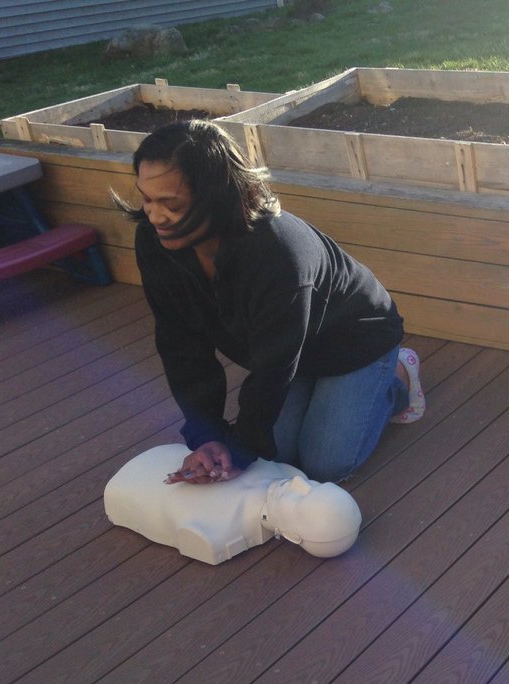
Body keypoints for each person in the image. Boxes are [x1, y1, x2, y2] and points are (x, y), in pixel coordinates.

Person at [115, 120, 425, 487]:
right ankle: (322, 392)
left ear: (217, 194)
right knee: (278, 456)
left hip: (354, 341)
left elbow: (274, 366)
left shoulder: (277, 252)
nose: (153, 215)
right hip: (292, 349)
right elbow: (180, 344)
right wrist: (207, 434)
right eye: (147, 198)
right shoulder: (155, 241)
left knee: (324, 464)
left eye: (171, 203)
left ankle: (398, 378)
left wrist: (241, 449)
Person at [104, 444, 363, 564]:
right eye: (315, 487)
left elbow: (194, 535)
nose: (300, 483)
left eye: (301, 497)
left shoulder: (224, 530)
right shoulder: (290, 475)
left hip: (134, 488)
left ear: (294, 536)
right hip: (167, 458)